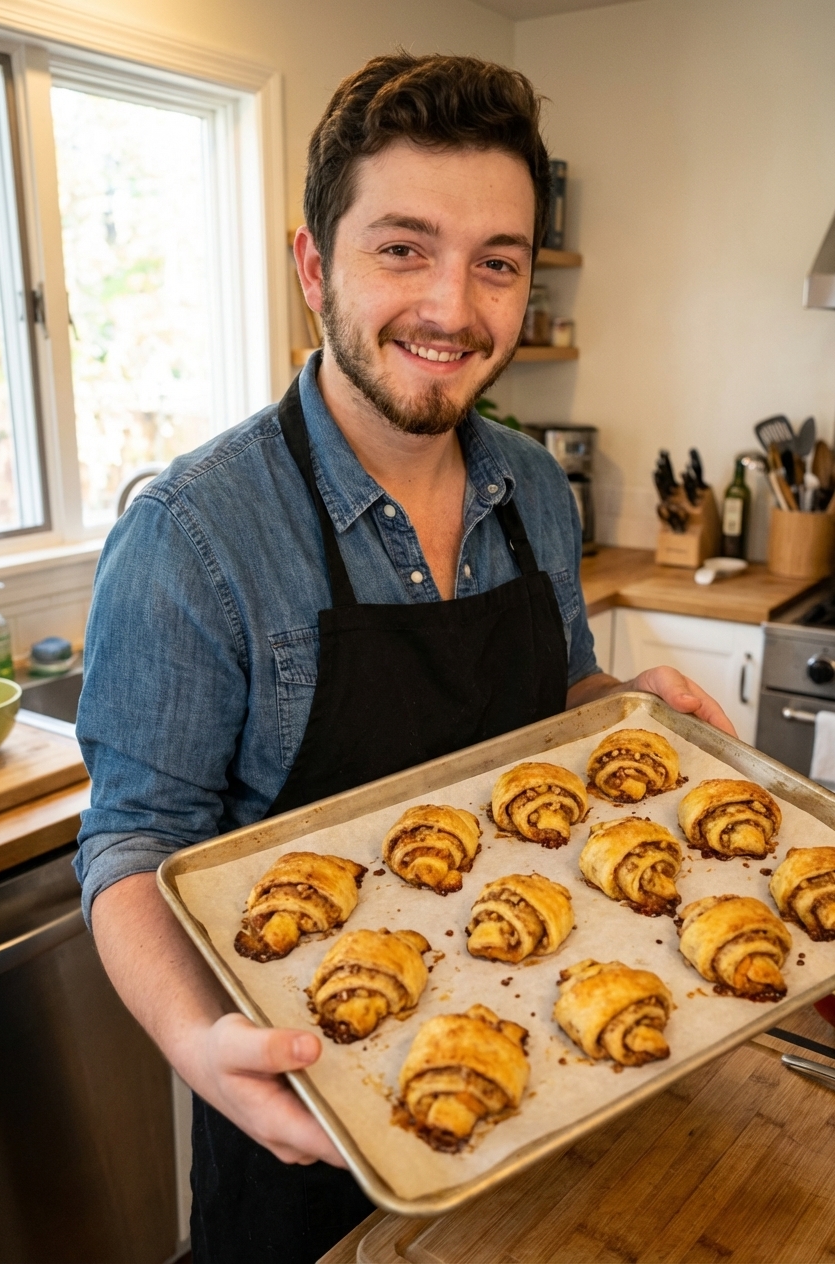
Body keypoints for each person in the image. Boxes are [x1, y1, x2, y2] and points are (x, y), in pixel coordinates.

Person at [75, 52, 733, 1264]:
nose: (452, 307)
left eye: (498, 262)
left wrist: (622, 703)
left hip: (550, 1060)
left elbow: (560, 689)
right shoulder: (193, 535)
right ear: (313, 267)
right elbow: (131, 841)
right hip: (310, 1113)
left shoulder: (533, 486)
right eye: (402, 248)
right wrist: (196, 1045)